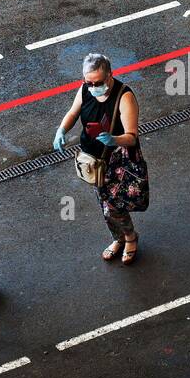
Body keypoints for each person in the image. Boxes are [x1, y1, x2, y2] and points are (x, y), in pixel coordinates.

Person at [53, 53, 143, 264]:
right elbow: (73, 112)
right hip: (94, 161)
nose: (93, 87)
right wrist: (61, 130)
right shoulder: (86, 89)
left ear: (110, 75)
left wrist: (113, 139)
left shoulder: (124, 97)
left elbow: (131, 137)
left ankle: (130, 238)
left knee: (113, 205)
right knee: (103, 203)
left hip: (118, 160)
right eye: (89, 82)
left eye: (98, 83)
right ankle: (118, 237)